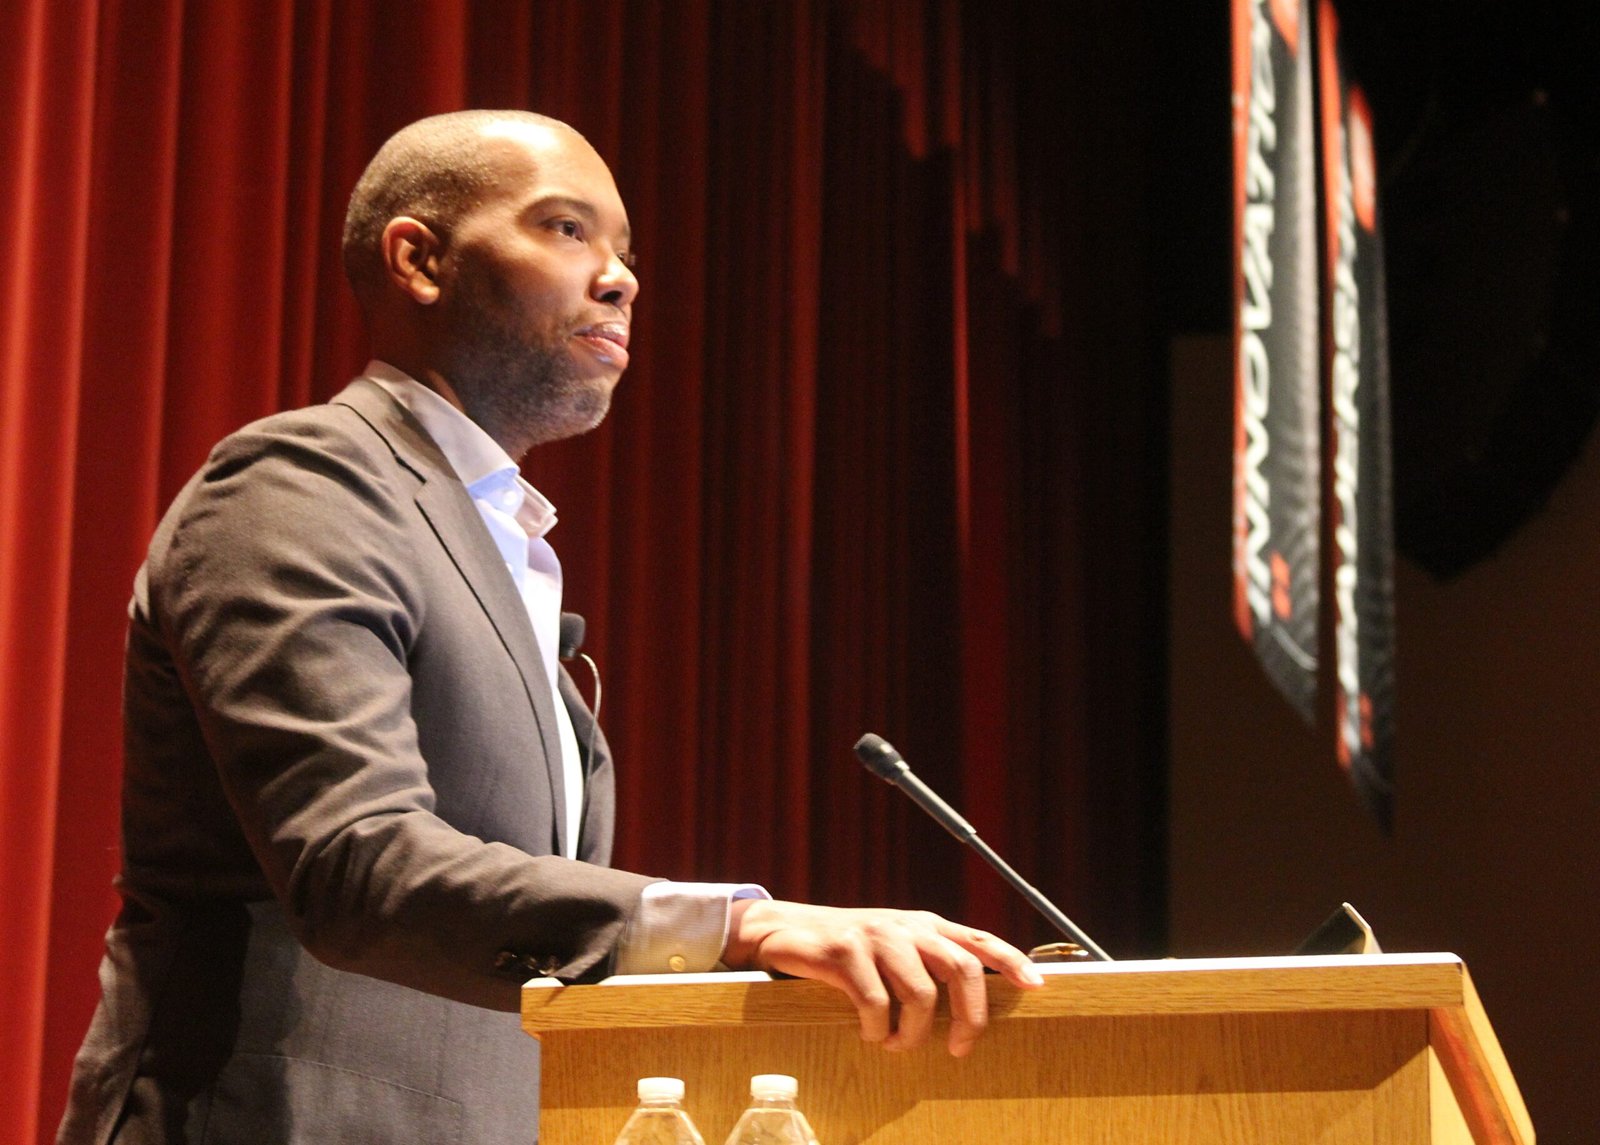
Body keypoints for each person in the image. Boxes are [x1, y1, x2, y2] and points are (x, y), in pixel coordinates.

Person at [58, 110, 1043, 1144]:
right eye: (568, 231)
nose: (619, 279)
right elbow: (355, 862)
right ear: (420, 258)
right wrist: (745, 921)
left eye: (624, 252)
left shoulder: (502, 541)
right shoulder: (302, 484)